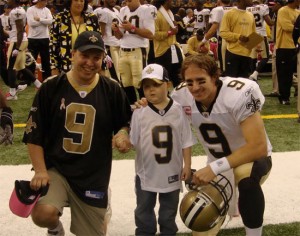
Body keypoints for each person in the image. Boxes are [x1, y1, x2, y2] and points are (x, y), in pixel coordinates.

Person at [135, 54, 272, 236]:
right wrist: (146, 102)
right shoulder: (182, 95)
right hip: (219, 166)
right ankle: (230, 201)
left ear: (215, 77)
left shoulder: (239, 93)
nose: (195, 87)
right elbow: (163, 104)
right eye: (190, 82)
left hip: (250, 160)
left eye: (201, 81)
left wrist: (214, 167)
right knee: (201, 225)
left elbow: (258, 147)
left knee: (245, 179)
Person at [22, 31, 132, 236]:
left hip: (94, 174)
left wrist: (123, 134)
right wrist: (40, 171)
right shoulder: (52, 87)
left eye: (96, 57)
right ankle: (55, 229)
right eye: (84, 55)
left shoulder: (112, 89)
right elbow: (34, 133)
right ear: (72, 54)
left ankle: (102, 205)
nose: (90, 62)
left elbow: (125, 122)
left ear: (102, 60)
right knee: (43, 214)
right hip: (58, 169)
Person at [130, 63, 193, 235]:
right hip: (146, 173)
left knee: (168, 215)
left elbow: (186, 141)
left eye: (156, 85)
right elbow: (132, 142)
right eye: (146, 86)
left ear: (168, 84)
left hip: (172, 172)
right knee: (143, 213)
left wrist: (187, 165)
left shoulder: (178, 110)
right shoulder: (139, 112)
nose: (151, 90)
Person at [112, 0, 155, 104]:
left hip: (138, 50)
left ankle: (145, 109)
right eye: (126, 1)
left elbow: (150, 34)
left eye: (130, 1)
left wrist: (132, 28)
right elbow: (120, 36)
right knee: (125, 84)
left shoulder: (146, 9)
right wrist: (116, 30)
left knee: (140, 83)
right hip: (123, 50)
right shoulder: (123, 10)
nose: (127, 3)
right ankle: (131, 110)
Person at [49, 0, 100, 75]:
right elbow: (53, 45)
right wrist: (54, 67)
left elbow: (99, 43)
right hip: (66, 66)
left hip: (88, 66)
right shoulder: (59, 18)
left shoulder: (92, 18)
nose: (79, 3)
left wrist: (103, 67)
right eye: (76, 0)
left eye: (81, 1)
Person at [6, 0, 42, 100]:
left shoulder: (16, 12)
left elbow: (20, 30)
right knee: (21, 67)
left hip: (17, 41)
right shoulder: (20, 10)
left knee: (11, 67)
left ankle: (12, 93)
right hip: (21, 40)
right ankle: (39, 85)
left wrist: (17, 47)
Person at [219, 0, 256, 78]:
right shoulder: (229, 14)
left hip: (247, 55)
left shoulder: (250, 15)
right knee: (231, 83)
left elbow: (253, 34)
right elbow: (223, 33)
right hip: (233, 53)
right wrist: (238, 36)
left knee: (244, 84)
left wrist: (256, 46)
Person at [152, 0, 183, 88]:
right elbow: (155, 34)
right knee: (164, 79)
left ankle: (181, 96)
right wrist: (170, 32)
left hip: (174, 47)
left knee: (179, 77)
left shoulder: (170, 13)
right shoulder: (157, 15)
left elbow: (173, 31)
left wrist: (175, 29)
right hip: (163, 51)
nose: (174, 2)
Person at [198, 0, 234, 73]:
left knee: (224, 68)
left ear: (219, 1)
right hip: (236, 39)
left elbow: (213, 29)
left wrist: (203, 41)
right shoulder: (235, 9)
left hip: (224, 39)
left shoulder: (217, 10)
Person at [275, 0, 300, 105]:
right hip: (284, 46)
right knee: (284, 74)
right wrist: (296, 27)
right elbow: (287, 27)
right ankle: (284, 97)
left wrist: (296, 27)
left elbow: (294, 28)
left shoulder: (298, 12)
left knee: (294, 73)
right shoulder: (283, 10)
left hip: (296, 46)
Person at [94, 0, 121, 82]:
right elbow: (101, 33)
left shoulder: (116, 10)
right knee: (114, 74)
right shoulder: (102, 11)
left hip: (117, 44)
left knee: (119, 72)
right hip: (109, 45)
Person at [247, 0, 274, 81]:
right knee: (266, 56)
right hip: (261, 34)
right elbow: (269, 22)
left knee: (252, 57)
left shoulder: (247, 9)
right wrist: (275, 22)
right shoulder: (263, 7)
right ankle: (255, 73)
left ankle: (252, 76)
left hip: (251, 34)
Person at [26, 0, 53, 81]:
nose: (46, 3)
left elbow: (50, 21)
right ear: (39, 1)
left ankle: (46, 78)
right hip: (33, 38)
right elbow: (31, 23)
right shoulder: (30, 9)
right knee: (31, 60)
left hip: (45, 38)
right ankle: (30, 79)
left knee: (46, 60)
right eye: (45, 1)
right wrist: (44, 21)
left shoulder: (47, 10)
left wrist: (39, 19)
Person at [264, 0, 284, 97]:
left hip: (282, 43)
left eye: (273, 5)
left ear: (279, 4)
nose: (271, 7)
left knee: (279, 67)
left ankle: (295, 83)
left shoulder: (282, 13)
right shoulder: (276, 14)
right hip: (278, 43)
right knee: (277, 67)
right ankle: (276, 90)